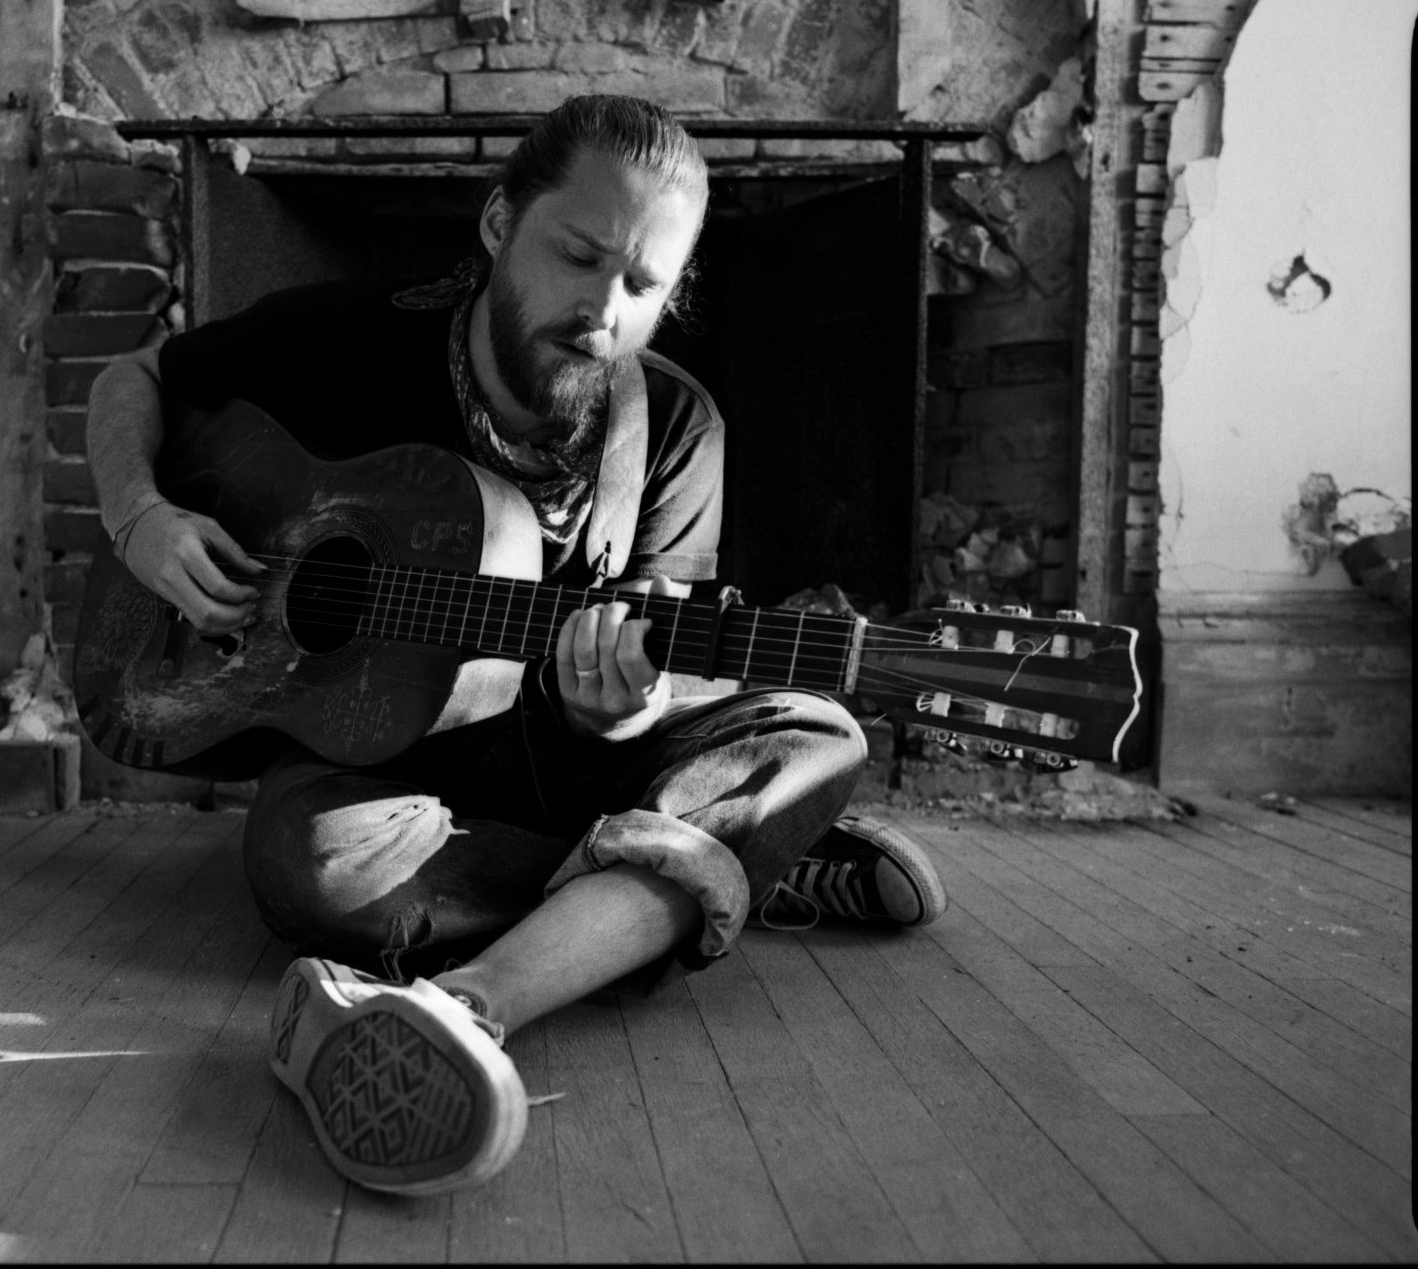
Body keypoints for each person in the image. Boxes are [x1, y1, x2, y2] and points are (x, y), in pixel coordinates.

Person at [87, 95, 947, 1196]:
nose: (602, 309)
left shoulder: (677, 429)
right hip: (384, 762)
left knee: (819, 736)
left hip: (564, 756)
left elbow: (650, 663)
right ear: (499, 225)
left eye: (643, 286)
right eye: (579, 256)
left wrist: (620, 707)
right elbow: (138, 377)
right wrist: (139, 518)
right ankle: (718, 869)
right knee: (314, 867)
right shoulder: (349, 340)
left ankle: (478, 997)